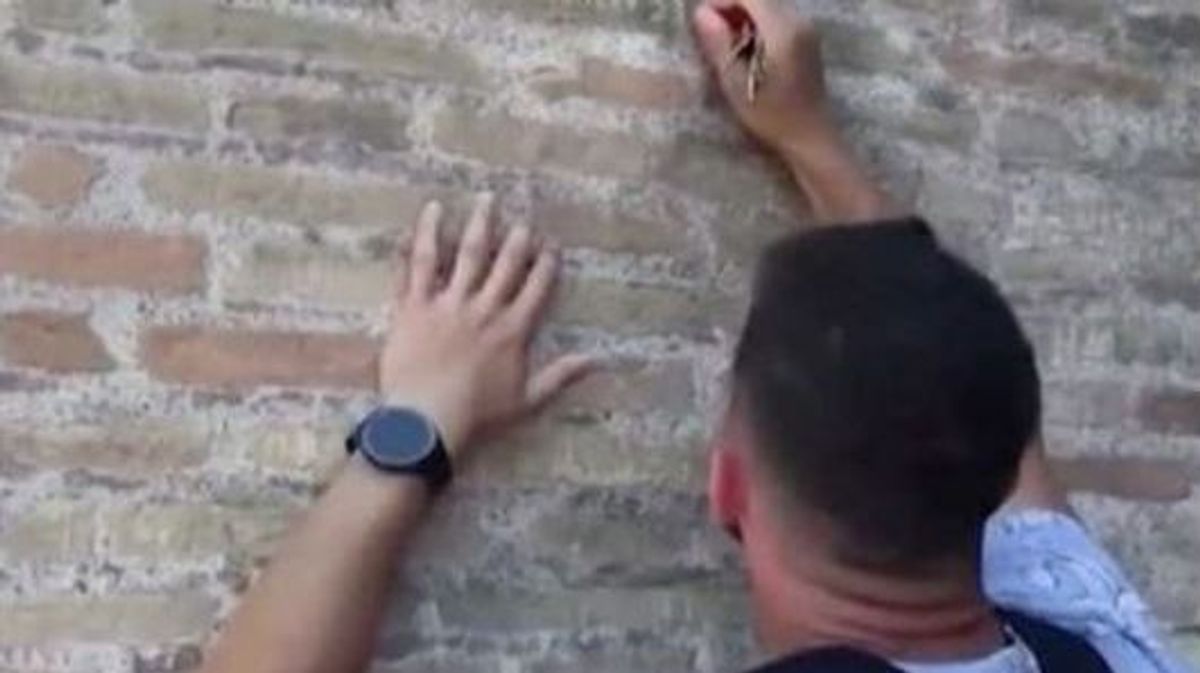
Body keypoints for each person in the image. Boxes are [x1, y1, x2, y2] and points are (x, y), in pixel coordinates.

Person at [196, 1, 1190, 672]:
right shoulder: (1107, 644)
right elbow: (944, 373)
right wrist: (811, 141)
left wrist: (411, 429)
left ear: (727, 490)